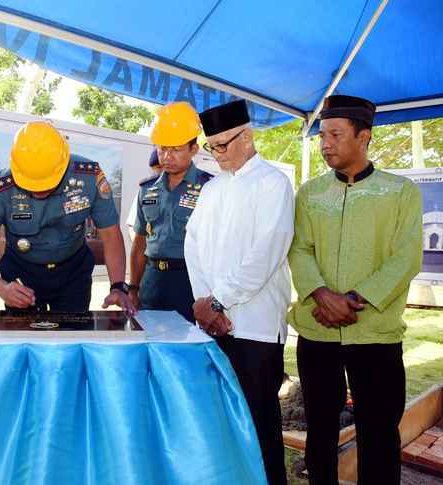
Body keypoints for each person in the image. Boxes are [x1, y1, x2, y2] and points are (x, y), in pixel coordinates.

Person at [287, 95, 423, 485]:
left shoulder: (399, 192)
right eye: (321, 135)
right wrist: (321, 295)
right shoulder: (310, 193)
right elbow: (300, 248)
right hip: (317, 330)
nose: (324, 143)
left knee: (379, 434)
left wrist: (354, 299)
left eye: (334, 134)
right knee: (321, 433)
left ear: (363, 137)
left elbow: (406, 256)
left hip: (375, 335)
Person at [184, 99, 294, 485]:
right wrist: (204, 303)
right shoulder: (212, 188)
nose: (216, 154)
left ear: (247, 136)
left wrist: (217, 301)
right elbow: (191, 243)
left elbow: (267, 253)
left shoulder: (273, 183)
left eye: (223, 145)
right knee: (221, 419)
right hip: (215, 324)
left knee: (260, 421)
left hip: (257, 326)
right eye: (211, 146)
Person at [0, 120, 134, 313]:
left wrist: (118, 286)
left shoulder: (88, 178)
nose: (39, 190)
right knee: (25, 338)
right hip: (21, 275)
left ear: (64, 162)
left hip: (73, 273)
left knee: (71, 336)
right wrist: (3, 289)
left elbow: (110, 235)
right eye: (31, 184)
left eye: (47, 183)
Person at [129, 102, 213, 321]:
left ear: (193, 149)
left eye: (175, 149)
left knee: (187, 349)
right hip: (152, 282)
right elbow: (140, 242)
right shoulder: (147, 189)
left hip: (191, 283)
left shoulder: (210, 188)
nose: (166, 156)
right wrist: (133, 288)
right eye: (162, 148)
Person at [125, 149, 163, 241]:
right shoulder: (146, 191)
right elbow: (133, 226)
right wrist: (142, 252)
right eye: (157, 168)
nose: (161, 172)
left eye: (162, 167)